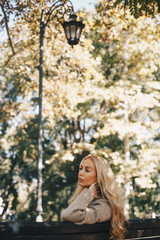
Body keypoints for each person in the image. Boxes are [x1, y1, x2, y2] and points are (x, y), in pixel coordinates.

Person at [61, 154, 126, 240]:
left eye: (87, 170)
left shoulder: (104, 207)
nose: (81, 173)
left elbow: (69, 215)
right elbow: (65, 215)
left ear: (99, 177)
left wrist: (88, 194)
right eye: (81, 168)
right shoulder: (89, 201)